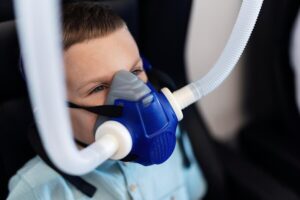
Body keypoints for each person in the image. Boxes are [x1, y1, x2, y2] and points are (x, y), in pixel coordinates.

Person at [7, 2, 206, 199]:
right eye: (98, 88)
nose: (135, 94)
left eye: (135, 71)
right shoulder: (40, 191)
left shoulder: (173, 137)